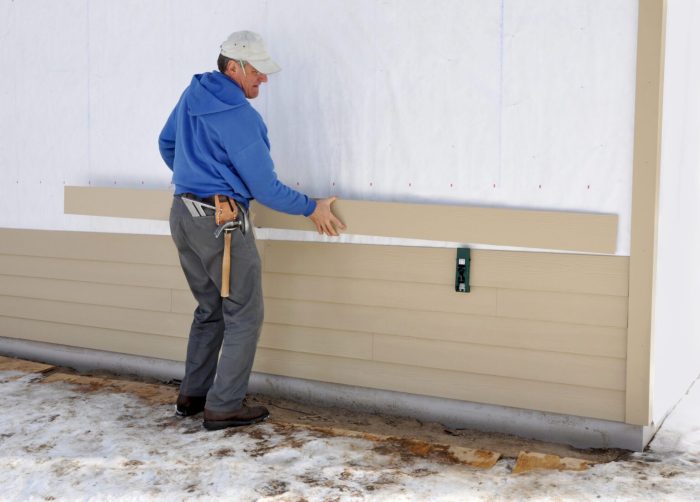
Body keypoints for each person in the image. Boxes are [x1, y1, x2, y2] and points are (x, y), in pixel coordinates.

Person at [158, 30, 345, 431]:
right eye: (257, 72)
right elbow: (265, 189)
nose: (263, 79)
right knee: (244, 314)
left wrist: (197, 178)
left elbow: (166, 143)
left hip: (183, 214)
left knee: (209, 309)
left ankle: (193, 395)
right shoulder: (241, 117)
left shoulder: (193, 95)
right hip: (220, 224)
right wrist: (313, 208)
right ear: (234, 67)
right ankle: (223, 405)